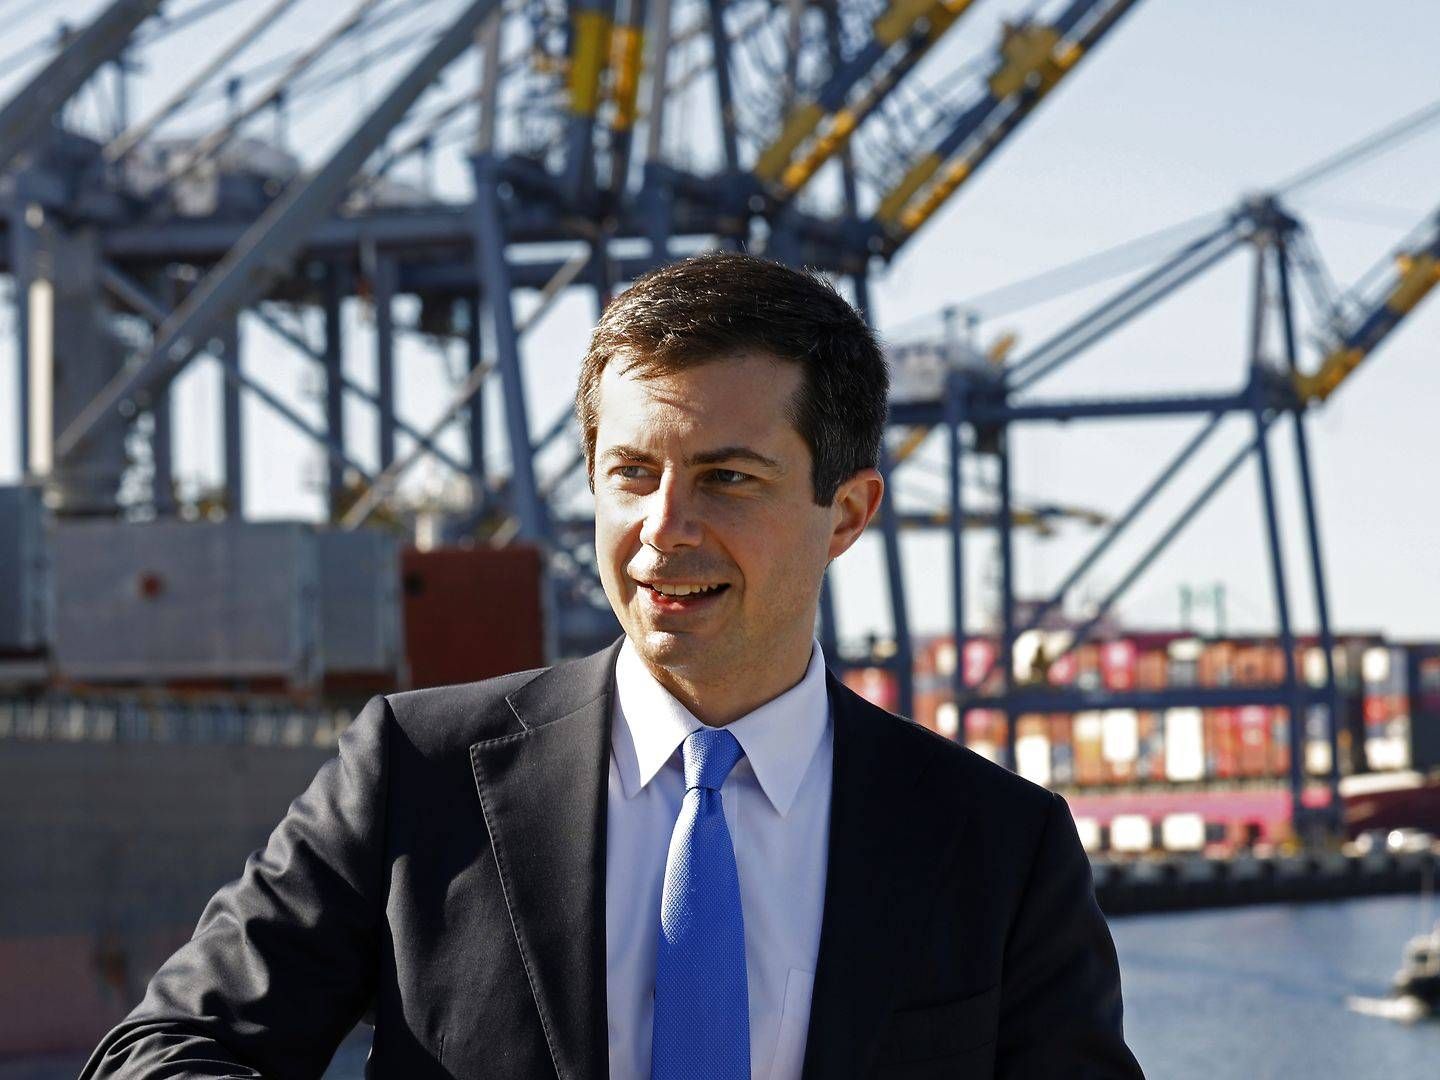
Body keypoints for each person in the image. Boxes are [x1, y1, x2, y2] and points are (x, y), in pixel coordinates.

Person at [81, 251, 1145, 1079]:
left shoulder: (1000, 845)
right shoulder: (417, 773)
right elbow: (163, 1050)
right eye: (630, 473)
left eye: (727, 478)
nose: (661, 530)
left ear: (848, 513)